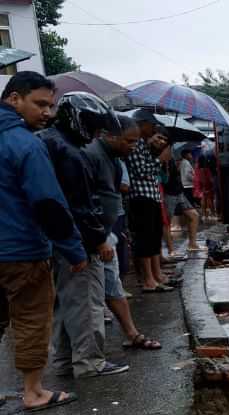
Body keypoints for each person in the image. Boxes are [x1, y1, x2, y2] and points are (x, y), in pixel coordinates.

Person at [0, 71, 85, 411]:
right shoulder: (26, 145)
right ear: (14, 98)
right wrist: (74, 250)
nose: (47, 113)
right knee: (32, 318)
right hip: (22, 251)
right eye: (40, 104)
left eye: (50, 105)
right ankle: (33, 392)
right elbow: (49, 204)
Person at [39, 91, 130, 379]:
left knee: (66, 303)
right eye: (93, 126)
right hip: (77, 240)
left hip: (55, 240)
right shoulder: (70, 152)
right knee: (86, 301)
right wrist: (98, 239)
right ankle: (90, 361)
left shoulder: (48, 142)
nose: (95, 133)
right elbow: (81, 205)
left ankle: (67, 360)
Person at [84, 113, 160, 351]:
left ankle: (131, 334)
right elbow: (85, 202)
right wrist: (99, 238)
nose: (133, 146)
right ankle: (87, 360)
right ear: (109, 136)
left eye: (136, 141)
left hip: (106, 231)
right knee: (90, 296)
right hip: (94, 237)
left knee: (112, 283)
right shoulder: (91, 156)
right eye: (129, 141)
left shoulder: (113, 159)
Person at [123, 109, 175, 292]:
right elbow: (141, 171)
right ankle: (148, 280)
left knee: (153, 238)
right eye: (151, 126)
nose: (152, 130)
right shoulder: (135, 144)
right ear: (142, 124)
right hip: (140, 198)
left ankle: (156, 275)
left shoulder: (144, 146)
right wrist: (159, 160)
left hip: (151, 197)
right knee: (144, 240)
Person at [161, 144, 200, 255]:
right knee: (166, 223)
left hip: (179, 191)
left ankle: (192, 244)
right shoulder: (159, 160)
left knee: (194, 215)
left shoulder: (172, 158)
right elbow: (163, 179)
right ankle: (171, 250)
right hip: (169, 194)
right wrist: (166, 165)